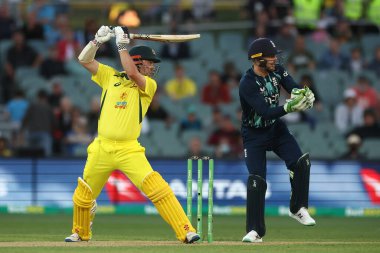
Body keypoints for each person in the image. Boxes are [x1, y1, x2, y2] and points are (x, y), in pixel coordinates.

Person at [64, 26, 200, 244]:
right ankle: (80, 233)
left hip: (129, 149)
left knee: (157, 188)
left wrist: (120, 45)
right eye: (150, 63)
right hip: (102, 147)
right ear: (138, 60)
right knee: (84, 194)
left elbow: (132, 74)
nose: (153, 67)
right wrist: (97, 41)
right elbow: (84, 60)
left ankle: (186, 230)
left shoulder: (148, 84)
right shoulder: (109, 76)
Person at [239, 38, 316, 243]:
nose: (275, 59)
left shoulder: (278, 70)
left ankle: (297, 208)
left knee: (301, 162)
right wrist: (289, 108)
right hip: (254, 134)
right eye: (271, 56)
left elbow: (292, 86)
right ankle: (255, 231)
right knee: (257, 180)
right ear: (258, 60)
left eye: (275, 55)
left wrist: (303, 94)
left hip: (276, 130)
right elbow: (264, 112)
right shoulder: (247, 83)